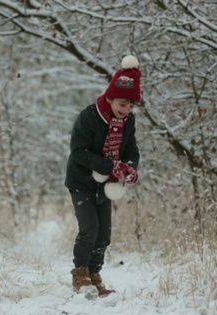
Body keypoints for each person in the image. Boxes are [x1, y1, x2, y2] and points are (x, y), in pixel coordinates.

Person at [64, 55, 141, 296]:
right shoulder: (89, 117)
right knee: (89, 228)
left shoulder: (129, 122)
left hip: (106, 185)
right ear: (110, 98)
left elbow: (131, 149)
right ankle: (80, 273)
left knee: (104, 233)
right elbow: (77, 151)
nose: (126, 110)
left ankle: (95, 275)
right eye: (122, 105)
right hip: (81, 182)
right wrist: (108, 166)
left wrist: (129, 166)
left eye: (130, 106)